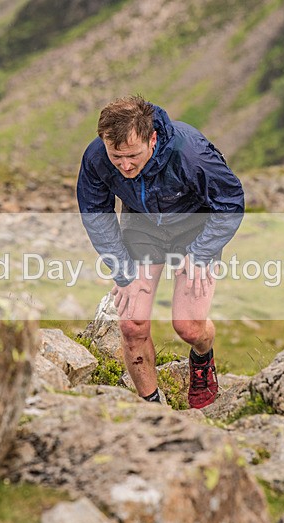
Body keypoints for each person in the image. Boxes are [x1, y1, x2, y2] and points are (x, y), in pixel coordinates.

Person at [77, 95, 244, 409]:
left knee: (189, 326)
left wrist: (201, 253)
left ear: (152, 139)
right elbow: (96, 214)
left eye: (133, 155)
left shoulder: (191, 152)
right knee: (132, 324)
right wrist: (123, 272)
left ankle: (202, 360)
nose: (125, 165)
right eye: (116, 157)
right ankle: (152, 409)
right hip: (143, 226)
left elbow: (231, 204)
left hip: (195, 226)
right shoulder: (97, 157)